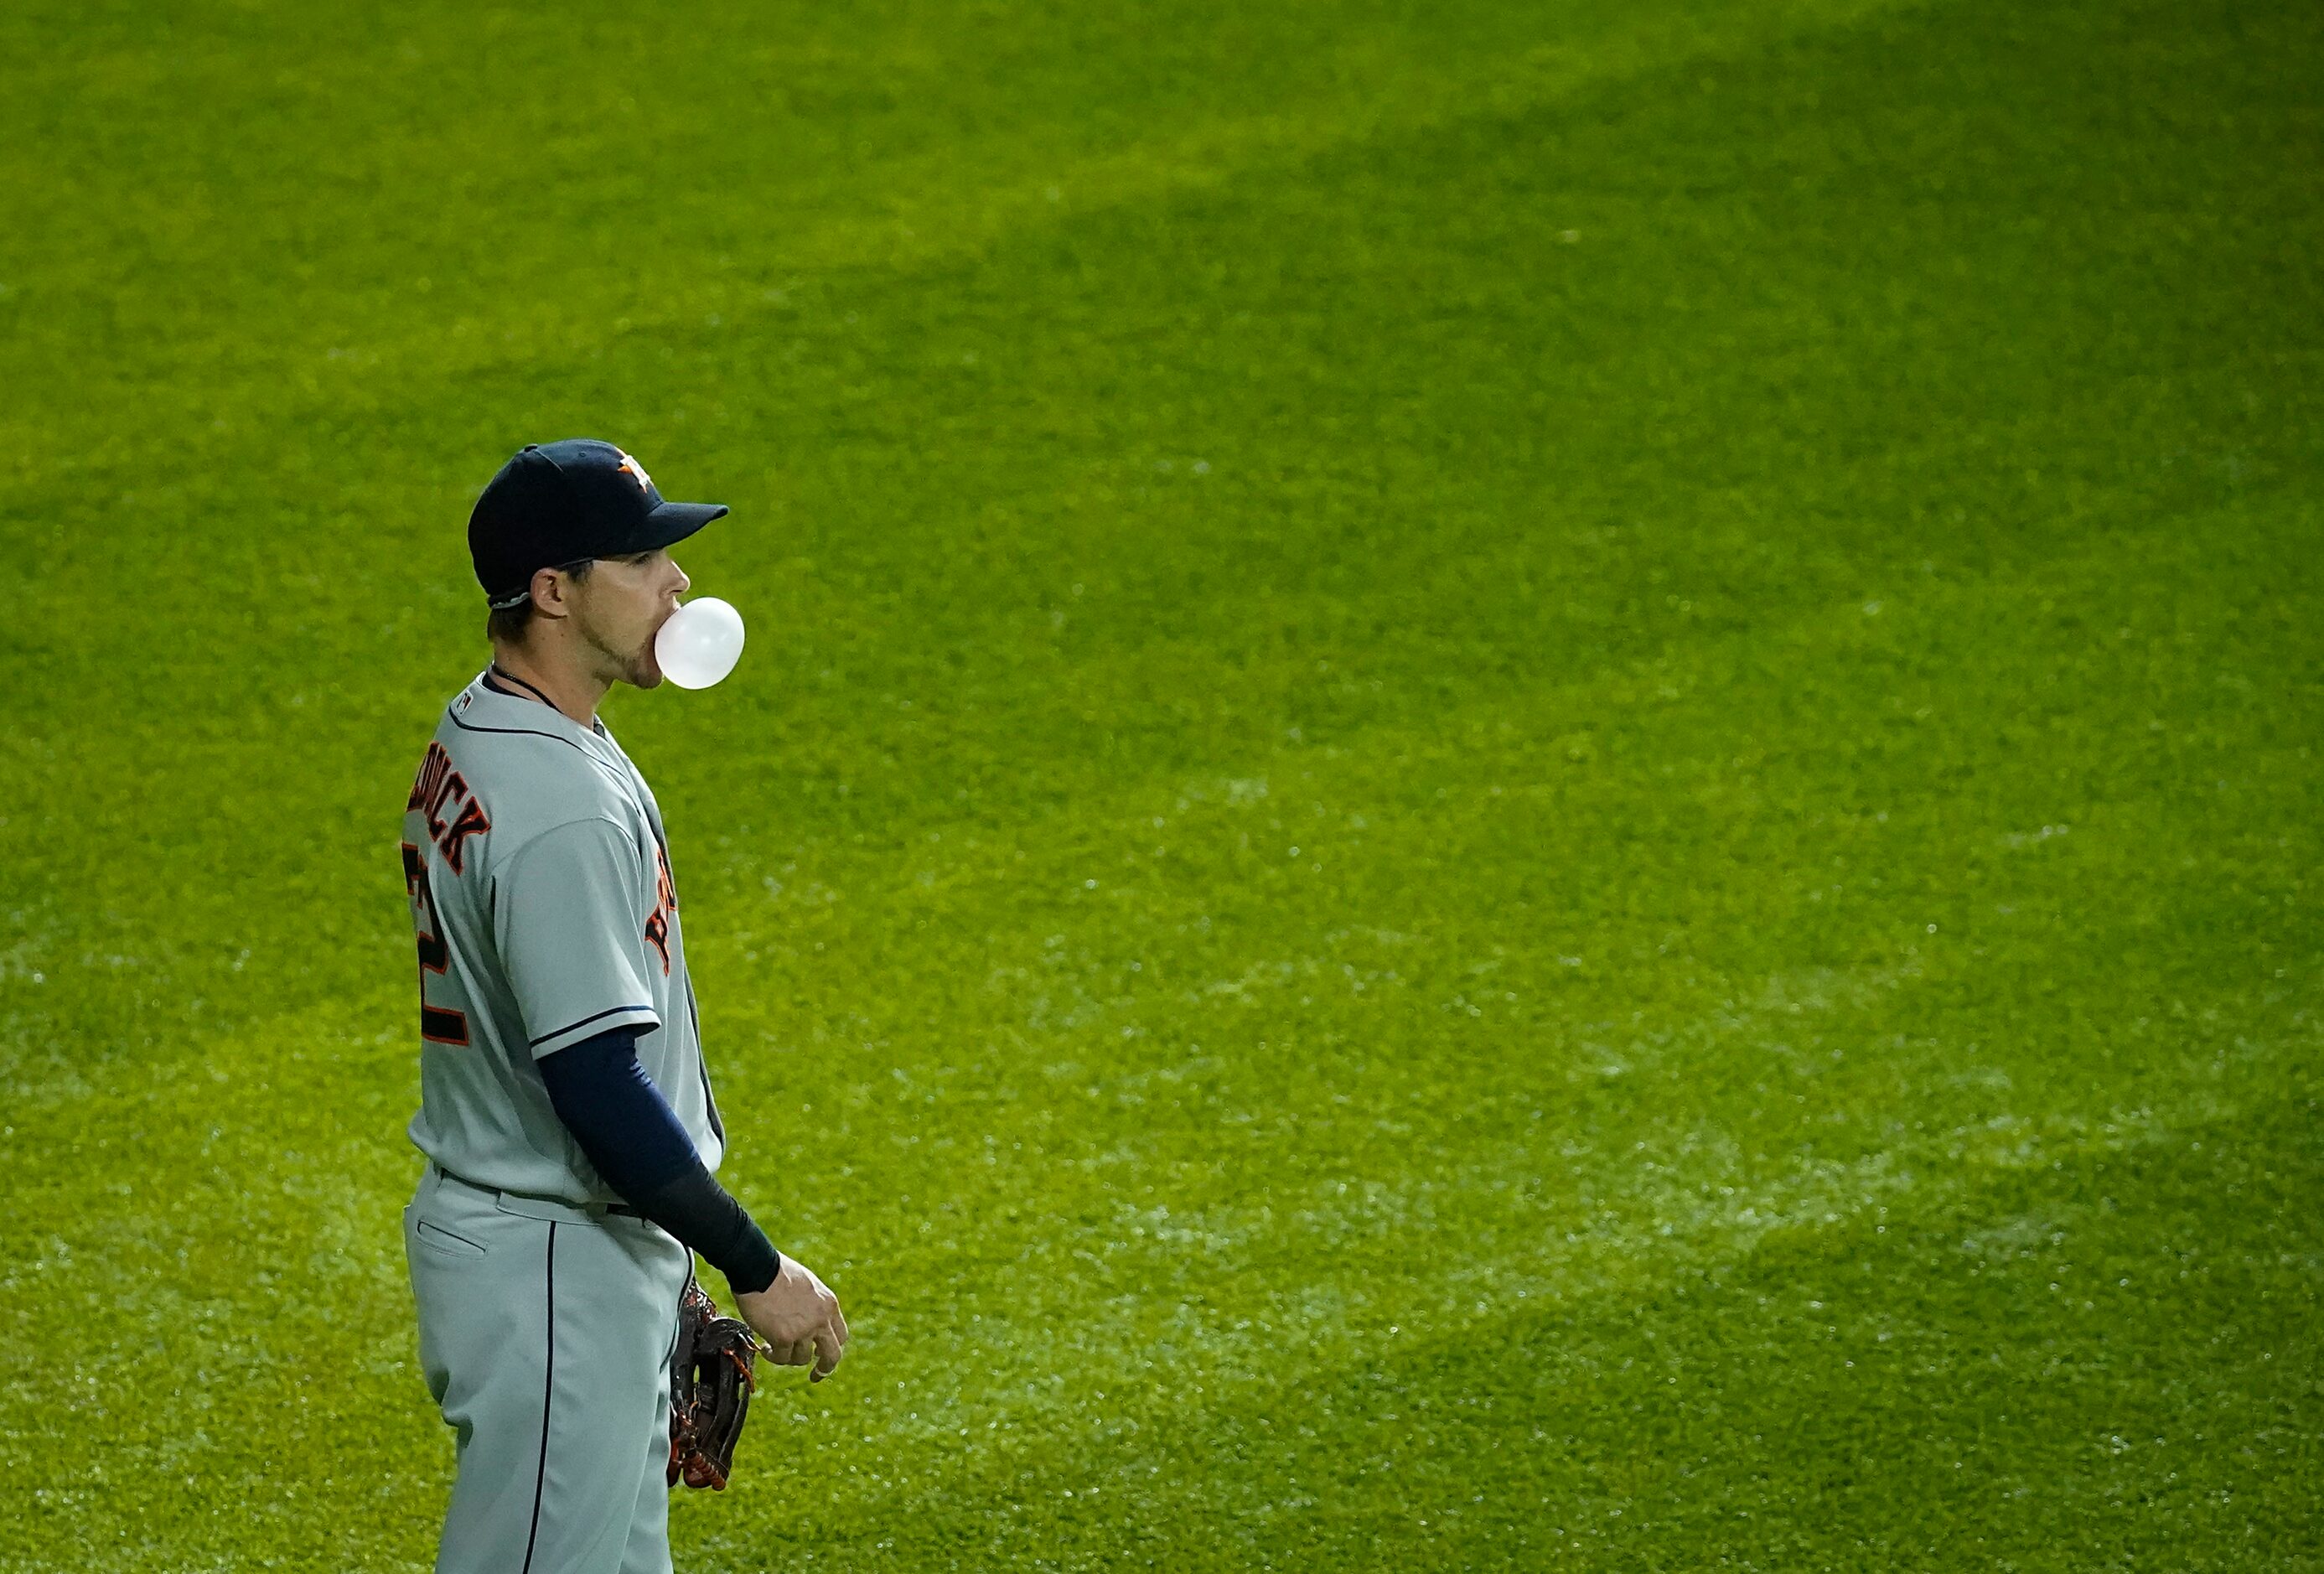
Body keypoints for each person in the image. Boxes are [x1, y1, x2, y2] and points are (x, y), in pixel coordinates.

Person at [396, 438, 846, 1574]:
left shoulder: (497, 725)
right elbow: (594, 1082)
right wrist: (753, 1263)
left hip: (573, 1245)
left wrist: (664, 1266)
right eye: (643, 559)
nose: (679, 583)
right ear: (554, 589)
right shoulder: (558, 809)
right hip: (553, 1267)